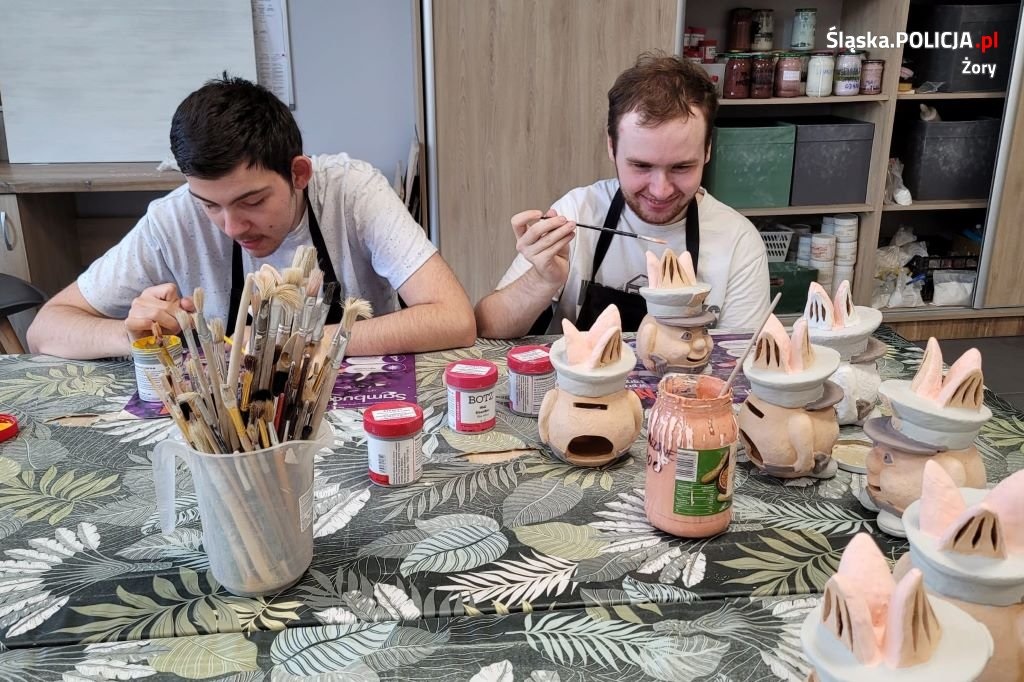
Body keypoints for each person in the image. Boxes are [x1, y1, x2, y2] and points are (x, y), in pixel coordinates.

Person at [28, 76, 476, 359]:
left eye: (253, 201)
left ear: (299, 174)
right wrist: (136, 337)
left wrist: (299, 344)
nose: (232, 226)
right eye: (210, 205)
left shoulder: (353, 192)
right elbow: (45, 329)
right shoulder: (174, 218)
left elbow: (454, 318)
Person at [475, 52, 770, 337]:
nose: (661, 190)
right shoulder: (578, 212)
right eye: (641, 166)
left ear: (707, 151)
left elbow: (741, 358)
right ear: (612, 147)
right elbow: (489, 326)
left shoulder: (738, 242)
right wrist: (541, 280)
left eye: (682, 167)